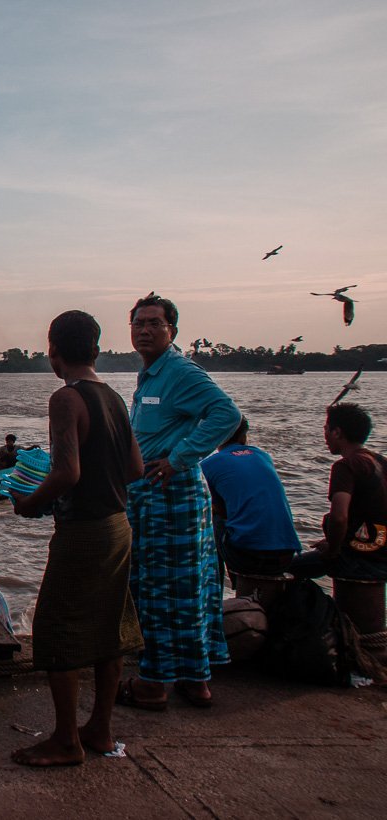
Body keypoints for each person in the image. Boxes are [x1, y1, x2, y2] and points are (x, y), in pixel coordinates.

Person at [10, 310, 145, 767]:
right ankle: (101, 730)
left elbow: (67, 471)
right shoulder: (114, 398)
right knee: (111, 628)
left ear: (54, 351)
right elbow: (135, 470)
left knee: (56, 628)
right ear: (96, 350)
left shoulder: (66, 399)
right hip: (118, 525)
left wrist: (30, 502)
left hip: (84, 530)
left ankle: (67, 740)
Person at [121, 293, 241, 711]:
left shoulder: (179, 371)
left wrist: (179, 458)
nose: (145, 330)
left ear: (173, 330)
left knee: (159, 587)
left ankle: (154, 683)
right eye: (139, 323)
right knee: (188, 586)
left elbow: (227, 415)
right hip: (155, 493)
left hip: (171, 494)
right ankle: (195, 677)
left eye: (155, 323)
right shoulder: (152, 375)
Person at [290, 403, 387, 583]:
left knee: (286, 569)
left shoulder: (345, 466)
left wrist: (333, 551)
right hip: (380, 554)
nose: (325, 436)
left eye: (326, 429)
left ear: (337, 432)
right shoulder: (380, 461)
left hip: (358, 559)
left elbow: (339, 517)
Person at [200, 417, 301, 584]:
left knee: (211, 517)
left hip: (248, 554)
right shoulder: (263, 456)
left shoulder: (208, 464)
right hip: (287, 552)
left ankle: (214, 588)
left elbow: (221, 510)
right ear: (243, 437)